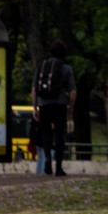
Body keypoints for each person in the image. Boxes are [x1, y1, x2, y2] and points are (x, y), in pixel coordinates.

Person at [33, 40, 76, 177]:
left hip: (44, 104)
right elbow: (73, 91)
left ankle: (47, 160)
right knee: (59, 134)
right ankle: (58, 166)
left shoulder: (41, 66)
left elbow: (34, 90)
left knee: (46, 134)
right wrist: (70, 108)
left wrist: (35, 108)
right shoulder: (66, 68)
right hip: (59, 104)